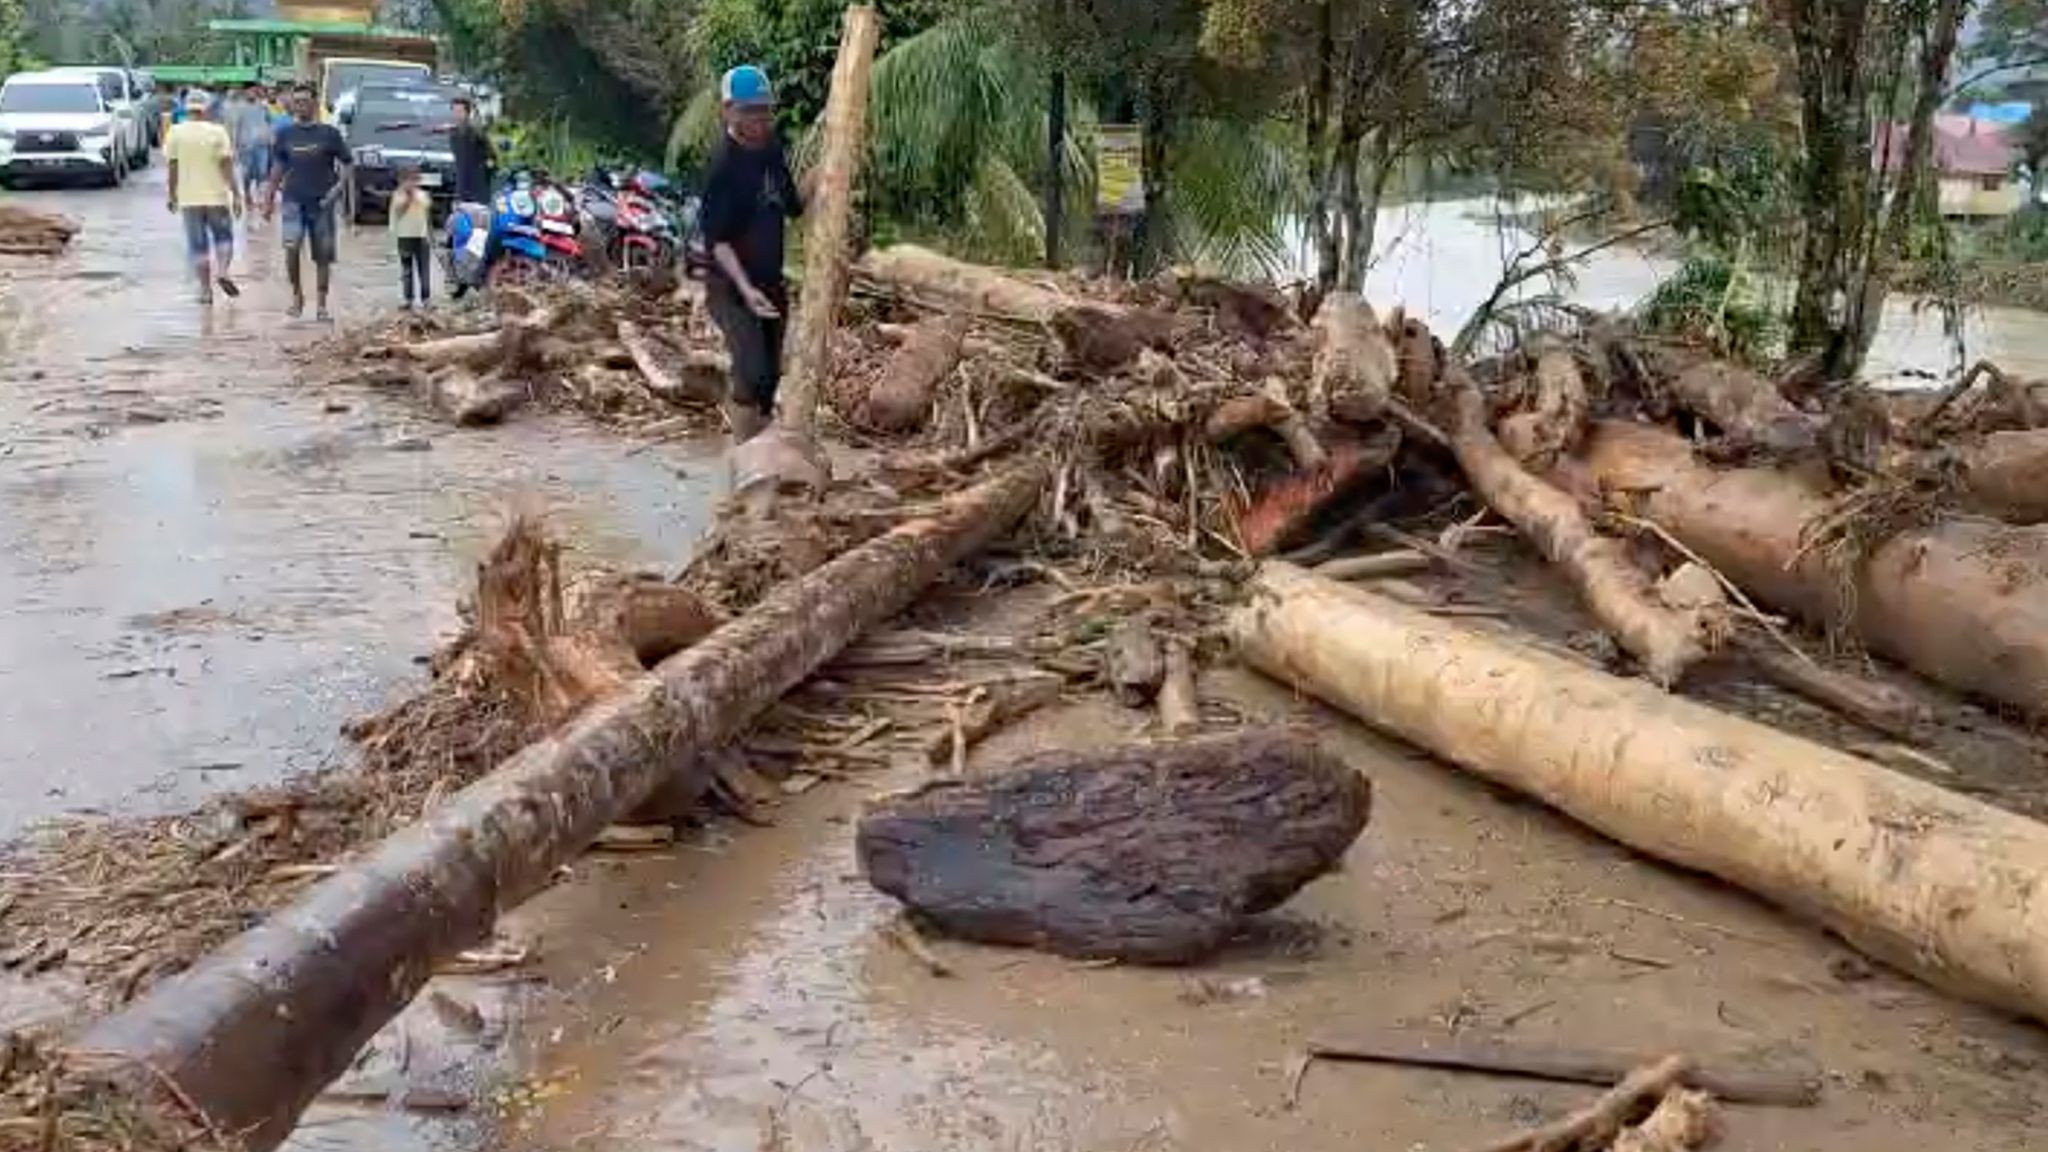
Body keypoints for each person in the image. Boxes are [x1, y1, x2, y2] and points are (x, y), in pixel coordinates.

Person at [698, 64, 801, 440]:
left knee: (771, 376)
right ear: (728, 111)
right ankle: (744, 456)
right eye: (749, 111)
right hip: (729, 286)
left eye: (764, 111)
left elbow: (793, 205)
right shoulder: (721, 168)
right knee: (750, 369)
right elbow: (718, 242)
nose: (759, 120)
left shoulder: (772, 148)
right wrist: (745, 289)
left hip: (770, 281)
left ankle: (764, 448)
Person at [265, 83, 351, 321]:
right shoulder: (285, 134)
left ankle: (321, 304)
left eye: (304, 100)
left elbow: (348, 163)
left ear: (314, 103)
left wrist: (338, 189)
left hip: (323, 202)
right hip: (293, 200)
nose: (300, 105)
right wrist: (268, 198)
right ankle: (296, 296)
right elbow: (278, 166)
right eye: (296, 101)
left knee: (322, 254)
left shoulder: (330, 134)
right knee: (291, 248)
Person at [164, 90, 243, 305]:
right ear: (206, 108)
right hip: (217, 197)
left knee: (197, 246)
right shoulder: (218, 132)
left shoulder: (175, 132)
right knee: (224, 238)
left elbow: (173, 166)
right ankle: (224, 271)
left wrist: (172, 195)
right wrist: (236, 194)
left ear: (186, 108)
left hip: (189, 199)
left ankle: (206, 291)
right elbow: (226, 165)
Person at [388, 166, 433, 309]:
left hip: (421, 236)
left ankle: (426, 299)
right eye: (408, 180)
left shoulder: (423, 195)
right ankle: (408, 299)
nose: (411, 183)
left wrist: (430, 235)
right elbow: (398, 212)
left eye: (415, 180)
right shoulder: (398, 195)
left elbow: (427, 216)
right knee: (407, 270)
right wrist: (409, 197)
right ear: (402, 181)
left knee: (424, 270)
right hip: (405, 237)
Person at [224, 84, 273, 202]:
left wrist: (270, 139)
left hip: (262, 144)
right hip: (245, 146)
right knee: (247, 173)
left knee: (262, 172)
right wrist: (233, 147)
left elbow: (269, 122)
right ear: (245, 92)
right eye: (249, 90)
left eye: (254, 90)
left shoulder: (263, 106)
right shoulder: (238, 108)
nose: (252, 92)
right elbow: (235, 127)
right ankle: (247, 194)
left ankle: (259, 196)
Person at [447, 95, 495, 206]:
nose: (457, 114)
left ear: (467, 113)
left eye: (460, 111)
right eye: (455, 111)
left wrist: (486, 169)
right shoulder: (454, 134)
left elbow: (491, 156)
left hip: (478, 187)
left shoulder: (476, 132)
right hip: (461, 186)